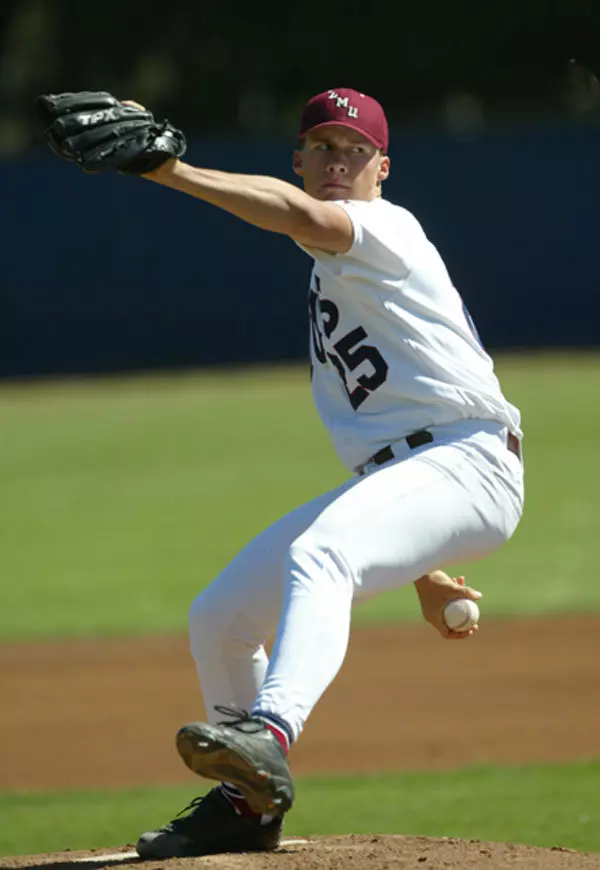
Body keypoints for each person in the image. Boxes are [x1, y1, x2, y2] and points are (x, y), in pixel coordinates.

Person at [134, 88, 524, 858]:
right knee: (220, 617)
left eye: (354, 150)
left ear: (382, 167)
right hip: (422, 470)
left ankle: (268, 731)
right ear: (299, 159)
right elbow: (391, 442)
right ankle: (247, 806)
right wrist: (420, 564)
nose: (337, 161)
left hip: (471, 458)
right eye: (322, 146)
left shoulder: (382, 226)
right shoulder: (331, 276)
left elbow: (296, 214)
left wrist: (167, 170)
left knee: (322, 556)